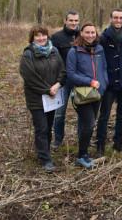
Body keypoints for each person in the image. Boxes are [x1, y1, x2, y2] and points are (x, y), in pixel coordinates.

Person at [19, 26, 66, 172]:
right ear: (32, 38)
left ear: (47, 36)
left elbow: (62, 70)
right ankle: (45, 160)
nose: (41, 38)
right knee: (41, 128)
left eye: (44, 35)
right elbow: (29, 77)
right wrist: (47, 90)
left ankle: (44, 152)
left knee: (49, 126)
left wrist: (57, 85)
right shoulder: (28, 54)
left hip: (52, 97)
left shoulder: (54, 51)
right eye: (37, 36)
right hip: (36, 99)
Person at [66, 23, 109, 169]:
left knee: (89, 124)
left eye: (93, 32)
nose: (90, 35)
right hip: (81, 94)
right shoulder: (74, 51)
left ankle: (84, 153)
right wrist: (90, 81)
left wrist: (104, 83)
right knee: (89, 124)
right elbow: (71, 74)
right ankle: (81, 155)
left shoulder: (99, 49)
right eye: (87, 32)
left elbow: (103, 68)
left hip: (97, 94)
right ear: (81, 33)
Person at [95, 9, 122, 156]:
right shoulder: (103, 38)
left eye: (121, 18)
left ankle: (119, 143)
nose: (118, 20)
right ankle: (100, 145)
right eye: (116, 18)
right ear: (111, 19)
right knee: (104, 115)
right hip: (109, 83)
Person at [51, 10, 80, 149]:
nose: (73, 23)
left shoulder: (84, 35)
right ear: (65, 21)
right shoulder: (56, 38)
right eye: (71, 20)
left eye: (76, 21)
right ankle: (58, 140)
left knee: (82, 111)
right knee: (59, 113)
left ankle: (82, 138)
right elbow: (52, 60)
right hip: (62, 81)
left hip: (80, 81)